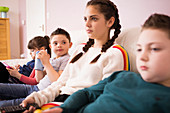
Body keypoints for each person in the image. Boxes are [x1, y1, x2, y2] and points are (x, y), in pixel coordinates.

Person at [38, 13, 170, 113]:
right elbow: (86, 93)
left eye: (154, 48)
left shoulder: (164, 100)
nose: (142, 56)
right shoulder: (121, 76)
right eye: (139, 49)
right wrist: (64, 109)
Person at [22, 0, 130, 110]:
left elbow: (106, 95)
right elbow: (60, 82)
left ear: (110, 22)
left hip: (77, 105)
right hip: (58, 100)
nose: (87, 24)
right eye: (85, 19)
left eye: (94, 18)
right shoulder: (79, 49)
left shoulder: (115, 53)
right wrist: (37, 99)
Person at [0, 28, 72, 107]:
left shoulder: (67, 59)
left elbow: (57, 81)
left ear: (70, 44)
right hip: (35, 87)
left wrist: (47, 64)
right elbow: (39, 79)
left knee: (3, 105)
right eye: (55, 43)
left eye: (64, 42)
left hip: (41, 93)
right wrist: (39, 62)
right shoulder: (52, 59)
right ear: (51, 46)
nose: (59, 45)